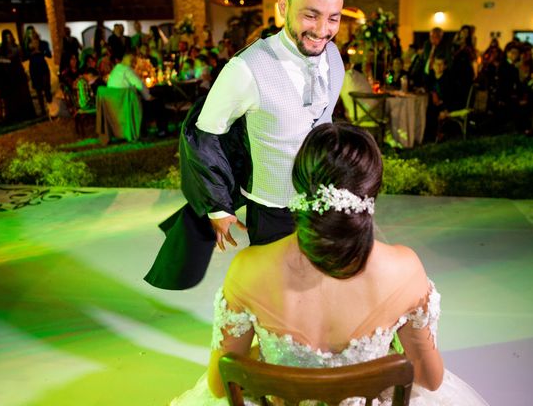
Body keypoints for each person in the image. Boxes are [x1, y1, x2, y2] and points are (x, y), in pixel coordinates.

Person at [169, 122, 489, 405]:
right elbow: (430, 379)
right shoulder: (405, 268)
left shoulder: (248, 268)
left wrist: (273, 359)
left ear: (300, 187)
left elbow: (219, 384)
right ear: (371, 192)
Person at [144, 0, 347, 290]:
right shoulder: (247, 68)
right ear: (284, 6)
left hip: (320, 201)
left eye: (333, 18)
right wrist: (218, 207)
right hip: (272, 209)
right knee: (274, 294)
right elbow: (204, 134)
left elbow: (322, 120)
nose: (322, 30)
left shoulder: (334, 55)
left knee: (317, 288)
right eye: (310, 14)